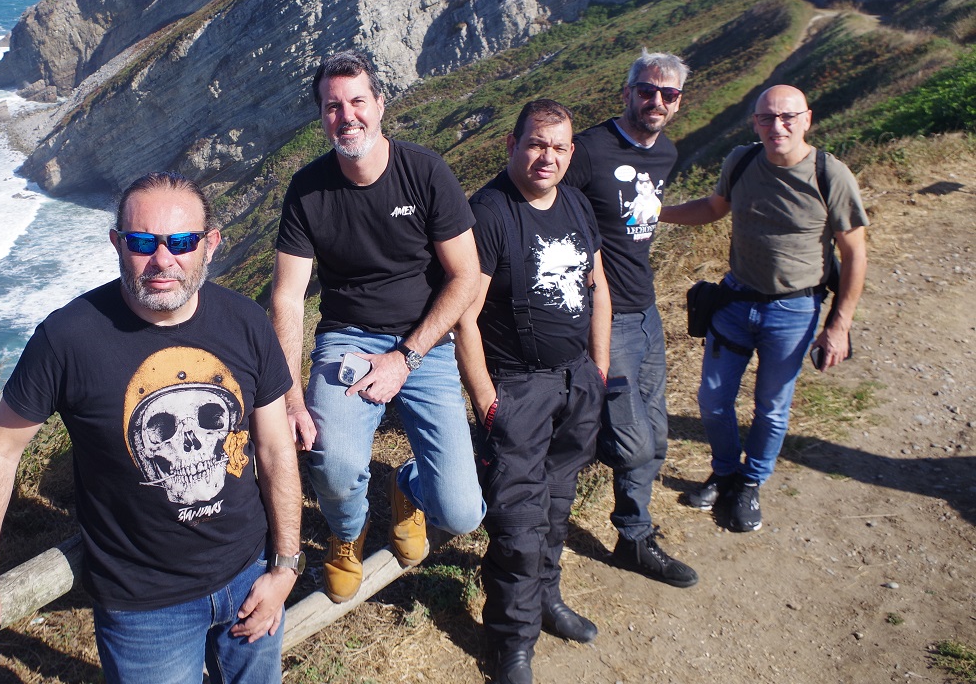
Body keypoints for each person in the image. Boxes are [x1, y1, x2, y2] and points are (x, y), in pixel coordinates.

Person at [0, 172, 303, 684]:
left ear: (210, 244)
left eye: (181, 242)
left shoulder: (246, 322)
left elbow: (273, 449)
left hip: (251, 574)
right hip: (143, 608)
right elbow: (0, 450)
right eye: (142, 242)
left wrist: (284, 566)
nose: (162, 260)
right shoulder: (67, 339)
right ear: (117, 243)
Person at [270, 49, 484, 604]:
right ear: (322, 116)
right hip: (347, 339)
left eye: (357, 101)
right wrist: (291, 398)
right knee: (333, 464)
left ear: (380, 103)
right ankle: (346, 534)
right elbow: (288, 297)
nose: (347, 116)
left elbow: (464, 278)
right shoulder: (307, 190)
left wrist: (406, 357)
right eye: (333, 106)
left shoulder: (425, 171)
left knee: (461, 513)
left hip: (426, 344)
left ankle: (407, 487)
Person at [660, 85, 868, 533]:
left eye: (788, 117)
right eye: (767, 119)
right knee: (713, 401)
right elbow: (714, 208)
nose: (778, 127)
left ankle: (751, 482)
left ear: (807, 119)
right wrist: (656, 213)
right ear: (755, 123)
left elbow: (855, 255)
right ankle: (725, 472)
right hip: (735, 300)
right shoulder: (741, 161)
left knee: (772, 407)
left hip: (794, 310)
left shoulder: (831, 175)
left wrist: (839, 325)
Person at [457, 99, 611, 684]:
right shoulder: (491, 213)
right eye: (537, 144)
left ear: (571, 153)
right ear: (512, 144)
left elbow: (597, 287)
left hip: (575, 383)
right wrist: (488, 402)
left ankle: (545, 600)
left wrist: (596, 371)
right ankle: (510, 644)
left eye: (559, 147)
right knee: (519, 526)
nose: (547, 157)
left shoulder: (574, 202)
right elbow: (464, 317)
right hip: (517, 388)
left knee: (555, 507)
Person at [563, 51, 698, 588]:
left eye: (669, 95)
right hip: (604, 315)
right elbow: (541, 197)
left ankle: (634, 537)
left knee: (658, 436)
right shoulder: (590, 150)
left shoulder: (666, 152)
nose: (657, 102)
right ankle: (570, 448)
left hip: (647, 311)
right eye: (647, 91)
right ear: (626, 92)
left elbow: (644, 217)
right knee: (633, 441)